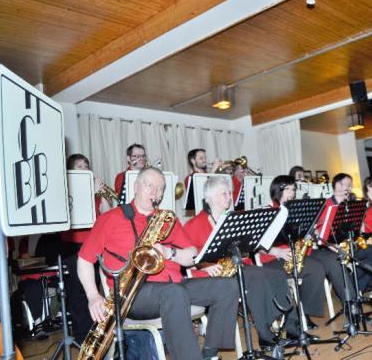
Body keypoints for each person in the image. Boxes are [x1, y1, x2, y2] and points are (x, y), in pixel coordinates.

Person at [78, 167, 239, 360]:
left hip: (173, 285)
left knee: (227, 286)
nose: (155, 192)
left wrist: (169, 252)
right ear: (136, 187)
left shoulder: (167, 219)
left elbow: (193, 255)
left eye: (160, 188)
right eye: (149, 185)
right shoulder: (110, 218)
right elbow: (84, 259)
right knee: (174, 293)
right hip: (131, 293)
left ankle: (209, 353)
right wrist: (93, 296)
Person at [182, 176, 307, 349]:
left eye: (229, 193)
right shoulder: (193, 224)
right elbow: (189, 257)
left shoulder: (234, 219)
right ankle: (265, 335)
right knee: (255, 279)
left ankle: (292, 327)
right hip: (214, 275)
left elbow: (248, 248)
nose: (229, 197)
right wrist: (206, 265)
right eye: (224, 193)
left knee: (277, 275)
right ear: (209, 198)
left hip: (237, 267)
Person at [260, 175, 327, 328]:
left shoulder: (296, 211)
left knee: (317, 268)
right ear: (277, 190)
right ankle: (293, 319)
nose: (291, 193)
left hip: (292, 255)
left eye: (293, 189)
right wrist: (278, 252)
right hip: (272, 259)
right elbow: (259, 246)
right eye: (287, 189)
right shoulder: (267, 211)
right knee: (281, 277)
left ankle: (305, 313)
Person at [60, 154, 112, 343]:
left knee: (98, 288)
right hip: (73, 245)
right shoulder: (68, 191)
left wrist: (101, 194)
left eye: (86, 166)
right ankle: (82, 337)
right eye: (79, 166)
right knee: (79, 292)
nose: (84, 169)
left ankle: (98, 332)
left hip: (94, 244)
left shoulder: (94, 192)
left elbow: (106, 215)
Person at [314, 173, 357, 305]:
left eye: (350, 185)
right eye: (347, 185)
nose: (350, 188)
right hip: (327, 246)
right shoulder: (325, 205)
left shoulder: (350, 204)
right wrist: (330, 246)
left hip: (345, 243)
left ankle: (356, 289)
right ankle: (351, 301)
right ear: (337, 185)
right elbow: (317, 233)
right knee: (337, 262)